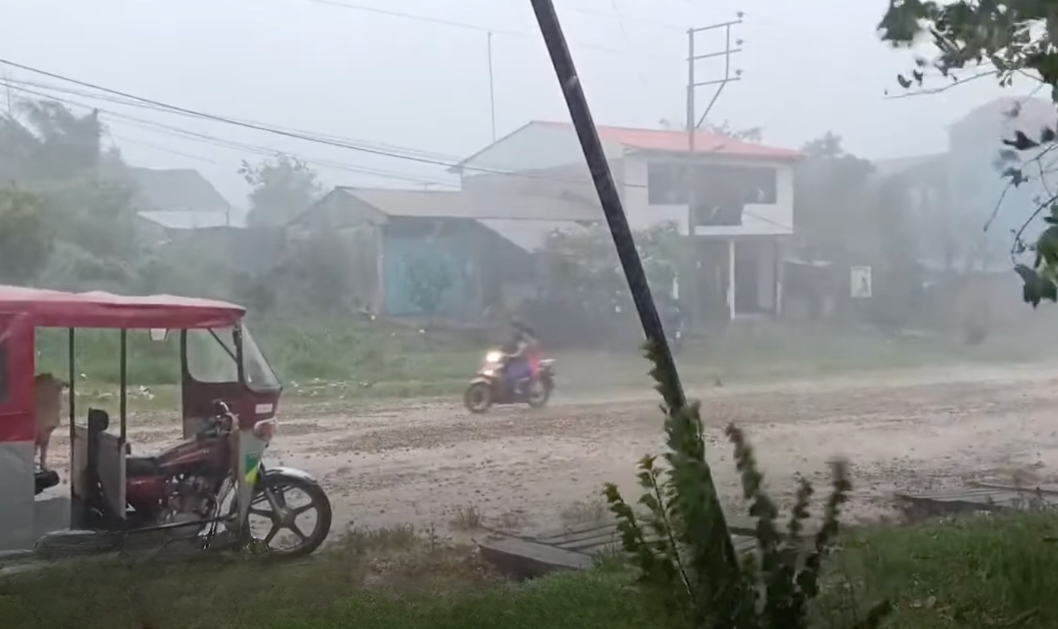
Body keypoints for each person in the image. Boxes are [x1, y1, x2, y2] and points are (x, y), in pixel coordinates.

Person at [502, 320, 539, 395]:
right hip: (516, 358)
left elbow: (524, 348)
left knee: (514, 372)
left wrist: (516, 354)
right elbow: (507, 345)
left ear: (519, 328)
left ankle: (518, 388)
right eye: (512, 328)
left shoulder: (524, 337)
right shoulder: (514, 337)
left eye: (515, 328)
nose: (513, 330)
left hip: (526, 359)